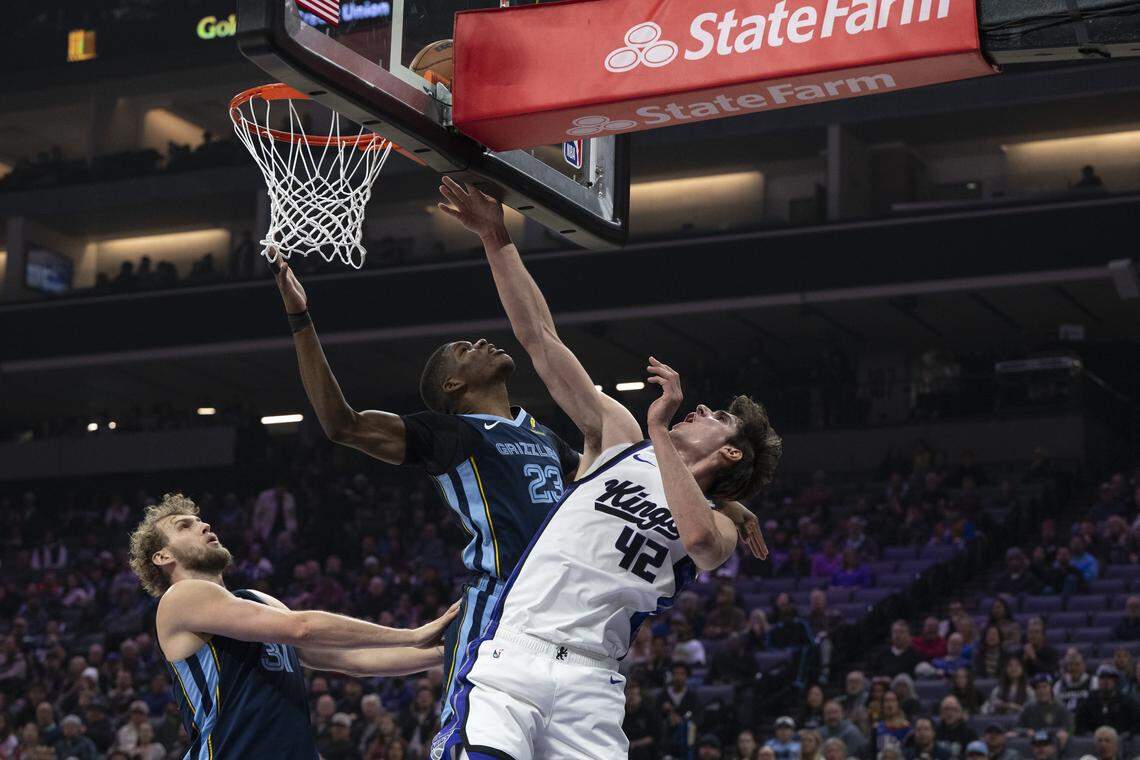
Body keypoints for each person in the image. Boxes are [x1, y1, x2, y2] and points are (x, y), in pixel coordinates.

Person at [272, 245, 764, 727]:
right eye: (464, 351)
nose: (482, 342)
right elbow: (343, 425)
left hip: (559, 622)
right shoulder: (451, 433)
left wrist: (725, 502)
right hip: (496, 602)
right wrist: (301, 321)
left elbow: (627, 486)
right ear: (452, 387)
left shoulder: (546, 438)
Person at [429, 176, 780, 758]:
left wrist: (663, 430)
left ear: (731, 453)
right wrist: (497, 239)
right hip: (517, 650)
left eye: (715, 415)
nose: (699, 408)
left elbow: (699, 541)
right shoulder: (619, 439)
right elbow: (540, 340)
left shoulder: (715, 517)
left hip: (593, 682)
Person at [128, 495, 458, 758]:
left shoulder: (258, 600)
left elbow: (354, 660)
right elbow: (302, 627)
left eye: (201, 520)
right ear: (162, 557)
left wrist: (449, 651)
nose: (204, 525)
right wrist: (415, 634)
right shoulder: (180, 598)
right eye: (186, 526)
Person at [1074, 665, 1140, 734]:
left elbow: (1137, 723)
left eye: (1110, 678)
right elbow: (1080, 725)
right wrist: (1088, 735)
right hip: (1093, 742)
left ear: (1115, 682)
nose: (1106, 681)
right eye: (1103, 678)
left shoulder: (1127, 702)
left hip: (1121, 741)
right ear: (1098, 680)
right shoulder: (1088, 702)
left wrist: (1127, 734)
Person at [622, 681, 661, 760]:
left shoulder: (649, 714)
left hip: (643, 749)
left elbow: (653, 737)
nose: (631, 697)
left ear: (640, 697)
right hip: (624, 747)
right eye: (628, 694)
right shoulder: (620, 713)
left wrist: (635, 744)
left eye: (634, 694)